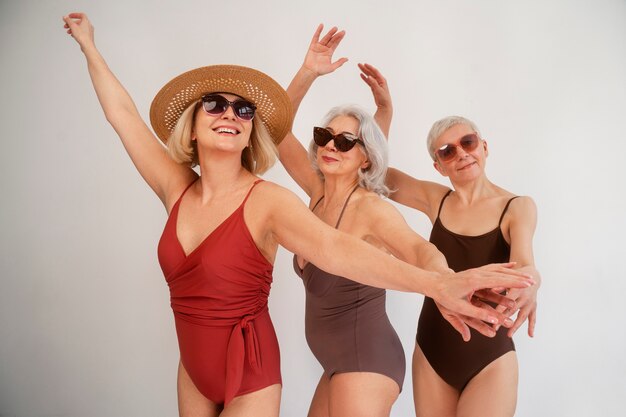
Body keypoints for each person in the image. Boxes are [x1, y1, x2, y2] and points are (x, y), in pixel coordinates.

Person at [63, 13, 534, 417]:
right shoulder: (304, 192)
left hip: (328, 362)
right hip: (209, 368)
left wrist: (441, 281)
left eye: (243, 109)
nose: (332, 146)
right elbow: (125, 116)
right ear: (192, 123)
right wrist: (89, 47)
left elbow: (359, 248)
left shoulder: (290, 202)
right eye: (214, 104)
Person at [278, 26, 519, 417]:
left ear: (366, 158)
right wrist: (307, 72)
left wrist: (446, 284)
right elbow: (274, 127)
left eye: (345, 142)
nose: (330, 146)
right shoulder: (317, 191)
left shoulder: (372, 208)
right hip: (334, 365)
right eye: (325, 135)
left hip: (366, 362)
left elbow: (419, 249)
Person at [386, 116, 540, 417]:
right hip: (432, 351)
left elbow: (524, 265)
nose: (462, 154)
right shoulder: (437, 200)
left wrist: (533, 277)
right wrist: (385, 112)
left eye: (468, 143)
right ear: (438, 166)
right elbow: (376, 172)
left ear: (484, 147)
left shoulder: (517, 207)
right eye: (447, 151)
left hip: (490, 359)